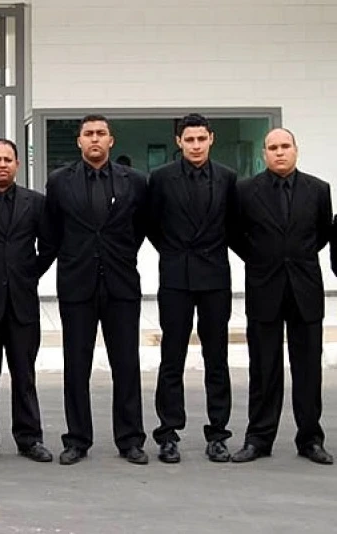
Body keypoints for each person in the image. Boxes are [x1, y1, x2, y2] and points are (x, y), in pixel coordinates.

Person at [43, 114, 149, 466]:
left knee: (126, 364)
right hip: (77, 284)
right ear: (79, 141)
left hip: (121, 283)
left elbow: (139, 228)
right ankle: (77, 439)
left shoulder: (135, 181)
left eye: (101, 133)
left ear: (111, 140)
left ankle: (130, 439)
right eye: (88, 133)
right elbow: (53, 232)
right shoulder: (60, 182)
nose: (94, 139)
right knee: (76, 365)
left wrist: (119, 255)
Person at [230, 128, 333, 465]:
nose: (279, 152)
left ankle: (310, 439)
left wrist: (294, 257)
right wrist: (262, 259)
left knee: (308, 369)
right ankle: (259, 439)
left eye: (285, 146)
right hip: (264, 287)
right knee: (263, 369)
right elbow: (236, 234)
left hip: (305, 290)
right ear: (264, 154)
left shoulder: (319, 190)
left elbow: (321, 234)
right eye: (272, 147)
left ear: (295, 150)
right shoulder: (245, 191)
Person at [147, 113, 236, 463]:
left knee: (217, 358)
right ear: (179, 142)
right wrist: (174, 253)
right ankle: (168, 433)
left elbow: (233, 225)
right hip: (176, 278)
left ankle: (218, 434)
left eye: (201, 139)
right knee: (172, 357)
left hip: (215, 277)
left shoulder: (227, 178)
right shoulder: (161, 179)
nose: (196, 145)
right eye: (189, 140)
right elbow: (152, 224)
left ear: (211, 138)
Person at [0, 138, 54, 466]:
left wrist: (28, 274)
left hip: (22, 302)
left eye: (7, 159)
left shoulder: (36, 203)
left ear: (17, 164)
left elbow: (49, 245)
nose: (2, 164)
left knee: (24, 375)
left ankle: (29, 438)